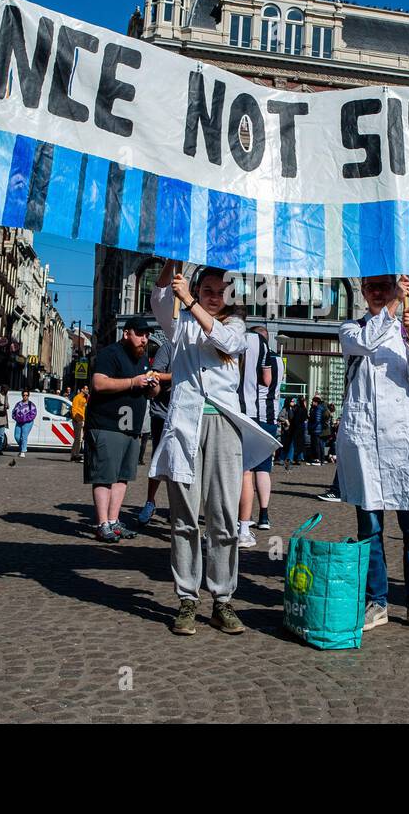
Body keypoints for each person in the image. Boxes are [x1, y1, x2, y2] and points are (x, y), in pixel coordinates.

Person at [150, 263, 278, 636]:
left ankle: (222, 599)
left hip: (223, 424)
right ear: (197, 286)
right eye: (207, 289)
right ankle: (187, 598)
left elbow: (228, 342)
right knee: (185, 517)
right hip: (187, 423)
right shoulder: (179, 323)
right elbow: (159, 298)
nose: (214, 295)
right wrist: (172, 264)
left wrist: (190, 300)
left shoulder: (235, 324)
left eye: (220, 291)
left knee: (222, 516)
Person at [338, 273, 409, 635]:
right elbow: (367, 343)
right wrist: (395, 304)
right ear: (364, 293)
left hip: (402, 440)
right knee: (370, 526)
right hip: (366, 440)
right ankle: (377, 601)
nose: (380, 292)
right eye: (373, 287)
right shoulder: (351, 329)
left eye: (386, 287)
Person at [87, 318, 159, 542]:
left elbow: (150, 394)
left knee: (122, 477)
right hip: (106, 424)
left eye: (147, 335)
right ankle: (101, 523)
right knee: (104, 476)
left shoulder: (142, 359)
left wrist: (153, 386)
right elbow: (98, 384)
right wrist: (132, 382)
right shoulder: (111, 353)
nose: (144, 339)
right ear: (127, 333)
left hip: (131, 428)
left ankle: (114, 520)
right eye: (140, 334)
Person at [237, 325, 276, 546]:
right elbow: (268, 380)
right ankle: (262, 515)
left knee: (236, 470)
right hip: (262, 416)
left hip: (235, 410)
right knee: (258, 469)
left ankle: (233, 522)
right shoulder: (271, 355)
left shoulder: (234, 338)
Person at [136, 342, 175, 526]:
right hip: (163, 414)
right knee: (159, 460)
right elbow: (155, 375)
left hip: (187, 413)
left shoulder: (198, 347)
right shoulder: (168, 347)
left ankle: (176, 507)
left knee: (182, 463)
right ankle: (150, 502)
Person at [12, 389, 37, 457]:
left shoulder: (31, 405)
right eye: (24, 395)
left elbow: (33, 414)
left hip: (27, 423)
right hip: (19, 422)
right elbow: (13, 412)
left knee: (24, 436)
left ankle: (22, 451)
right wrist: (16, 418)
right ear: (22, 395)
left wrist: (24, 419)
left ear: (28, 396)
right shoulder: (18, 404)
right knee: (16, 436)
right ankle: (22, 447)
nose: (25, 396)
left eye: (26, 395)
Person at [69, 386, 89, 462]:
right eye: (86, 389)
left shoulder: (85, 398)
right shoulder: (77, 397)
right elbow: (74, 409)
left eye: (87, 389)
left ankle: (75, 454)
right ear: (82, 389)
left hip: (82, 419)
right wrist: (78, 420)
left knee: (79, 439)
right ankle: (74, 455)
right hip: (78, 420)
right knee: (78, 438)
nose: (87, 390)